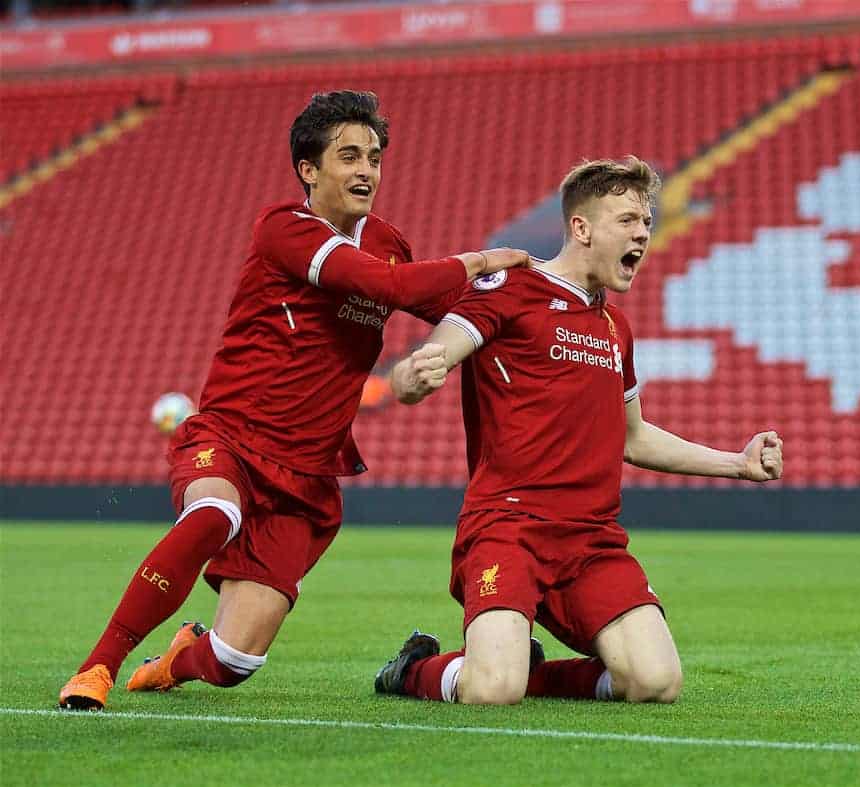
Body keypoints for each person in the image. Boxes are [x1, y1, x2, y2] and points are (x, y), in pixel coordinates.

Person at [57, 90, 528, 710]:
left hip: (305, 474)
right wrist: (484, 259)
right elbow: (386, 285)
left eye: (376, 157)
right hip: (229, 439)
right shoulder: (284, 228)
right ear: (309, 169)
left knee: (234, 660)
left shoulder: (388, 242)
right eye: (350, 155)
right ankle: (97, 668)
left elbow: (450, 306)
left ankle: (179, 659)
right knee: (211, 516)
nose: (367, 169)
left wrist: (548, 297)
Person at [373, 156, 783, 705]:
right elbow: (439, 349)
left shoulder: (616, 327)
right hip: (510, 523)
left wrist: (736, 462)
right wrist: (413, 375)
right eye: (627, 220)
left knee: (655, 682)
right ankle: (415, 671)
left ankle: (528, 669)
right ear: (582, 228)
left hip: (589, 538)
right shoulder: (511, 289)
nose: (642, 232)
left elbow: (633, 438)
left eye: (646, 222)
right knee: (492, 690)